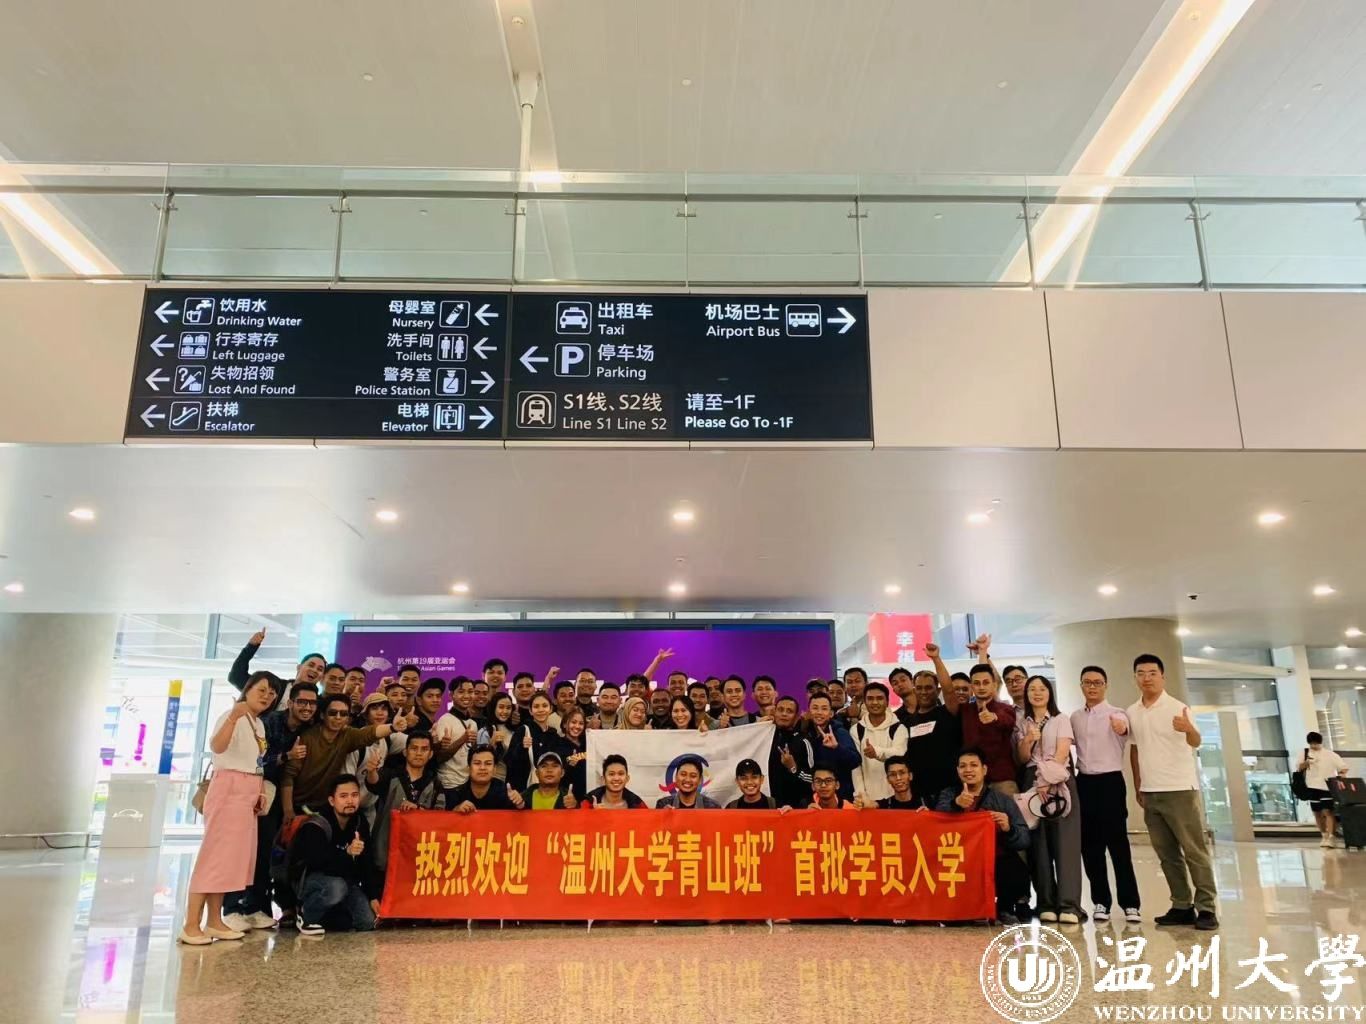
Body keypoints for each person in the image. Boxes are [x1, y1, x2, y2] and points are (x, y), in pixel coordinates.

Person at [180, 671, 280, 944]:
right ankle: (191, 925)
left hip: (248, 791)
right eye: (262, 690)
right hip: (229, 788)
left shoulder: (258, 724)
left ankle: (214, 921)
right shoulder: (232, 716)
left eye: (272, 693)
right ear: (248, 689)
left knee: (230, 860)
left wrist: (259, 790)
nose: (267, 696)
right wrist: (234, 717)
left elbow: (255, 762)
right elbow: (217, 746)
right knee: (214, 856)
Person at [1127, 653, 1217, 931]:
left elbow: (1196, 741)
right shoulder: (1132, 711)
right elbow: (1134, 749)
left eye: (1152, 673)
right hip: (1150, 791)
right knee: (1167, 854)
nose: (1147, 678)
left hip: (1179, 789)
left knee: (1194, 851)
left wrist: (1189, 729)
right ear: (1135, 677)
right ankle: (1181, 905)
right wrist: (1138, 784)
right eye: (1141, 673)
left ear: (1162, 676)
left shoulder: (1178, 707)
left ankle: (1207, 908)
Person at [222, 680, 315, 932]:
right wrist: (287, 756)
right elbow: (257, 760)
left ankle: (256, 907)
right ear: (291, 702)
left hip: (274, 798)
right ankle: (231, 908)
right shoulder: (269, 722)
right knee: (242, 851)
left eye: (312, 703)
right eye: (302, 702)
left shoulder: (308, 729)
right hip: (251, 792)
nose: (307, 707)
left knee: (263, 853)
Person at [1070, 665, 1141, 924]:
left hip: (1110, 783)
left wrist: (1120, 727)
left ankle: (1130, 904)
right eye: (1087, 682)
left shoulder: (1117, 713)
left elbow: (1124, 730)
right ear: (1081, 686)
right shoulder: (1075, 717)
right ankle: (1101, 901)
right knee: (1091, 847)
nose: (1092, 687)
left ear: (1105, 685)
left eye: (1097, 682)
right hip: (1084, 783)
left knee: (1118, 845)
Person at [1015, 674, 1084, 924]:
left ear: (1049, 693)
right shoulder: (1022, 723)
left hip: (1058, 779)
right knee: (1038, 844)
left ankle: (1069, 905)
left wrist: (1046, 779)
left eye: (1042, 688)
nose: (1037, 693)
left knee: (1066, 843)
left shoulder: (1061, 719)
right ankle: (1045, 902)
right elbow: (1022, 758)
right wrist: (1028, 739)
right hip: (1031, 780)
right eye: (1032, 689)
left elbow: (1063, 753)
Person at [936, 748, 1031, 924]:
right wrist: (955, 804)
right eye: (963, 766)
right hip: (958, 861)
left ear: (984, 770)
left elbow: (1024, 839)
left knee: (1015, 869)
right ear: (957, 771)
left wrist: (1008, 828)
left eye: (974, 765)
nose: (968, 770)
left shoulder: (1002, 800)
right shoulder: (949, 794)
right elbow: (936, 822)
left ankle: (1004, 908)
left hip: (992, 859)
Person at [282, 694, 408, 820]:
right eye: (333, 713)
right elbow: (288, 775)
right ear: (322, 715)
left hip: (327, 806)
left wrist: (392, 727)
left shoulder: (347, 735)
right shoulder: (307, 738)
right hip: (299, 805)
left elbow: (368, 734)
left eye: (343, 714)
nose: (338, 717)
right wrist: (288, 810)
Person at [289, 774, 380, 936]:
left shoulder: (360, 821)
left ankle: (328, 917)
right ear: (332, 800)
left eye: (354, 795)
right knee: (336, 888)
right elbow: (316, 861)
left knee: (366, 921)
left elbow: (367, 861)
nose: (350, 801)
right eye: (343, 796)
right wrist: (347, 853)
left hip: (345, 879)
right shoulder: (317, 823)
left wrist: (373, 897)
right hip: (310, 879)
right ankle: (306, 915)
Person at [364, 731, 443, 881]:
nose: (418, 753)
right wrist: (371, 771)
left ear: (431, 754)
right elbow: (374, 782)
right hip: (385, 850)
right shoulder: (391, 775)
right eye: (414, 748)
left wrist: (418, 811)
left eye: (424, 749)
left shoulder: (436, 783)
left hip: (419, 856)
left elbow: (440, 818)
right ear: (405, 752)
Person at [894, 643, 962, 802]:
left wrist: (936, 659)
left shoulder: (947, 712)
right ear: (914, 690)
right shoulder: (906, 723)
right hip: (919, 791)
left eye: (929, 688)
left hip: (949, 789)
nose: (923, 692)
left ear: (937, 690)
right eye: (919, 688)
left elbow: (949, 690)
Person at [943, 662, 1018, 795]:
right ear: (972, 687)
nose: (981, 687)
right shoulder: (965, 710)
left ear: (994, 685)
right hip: (971, 781)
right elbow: (948, 692)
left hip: (1001, 780)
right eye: (977, 683)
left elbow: (1008, 721)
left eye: (986, 682)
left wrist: (994, 717)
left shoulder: (1005, 709)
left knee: (1009, 809)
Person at [345, 691, 408, 824]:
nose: (380, 713)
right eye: (374, 708)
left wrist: (435, 738)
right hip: (349, 807)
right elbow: (346, 780)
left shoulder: (388, 738)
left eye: (384, 709)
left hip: (370, 807)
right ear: (365, 714)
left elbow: (415, 742)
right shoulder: (357, 741)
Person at [228, 627, 325, 710]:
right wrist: (251, 647)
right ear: (299, 667)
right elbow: (236, 677)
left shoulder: (319, 705)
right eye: (311, 665)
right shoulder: (274, 685)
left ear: (322, 677)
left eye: (320, 669)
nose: (314, 670)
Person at [851, 681, 906, 804]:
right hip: (869, 799)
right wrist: (861, 795)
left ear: (887, 701)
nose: (875, 702)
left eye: (880, 698)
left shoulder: (899, 727)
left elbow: (900, 754)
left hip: (896, 796)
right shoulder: (856, 730)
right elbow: (856, 767)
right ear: (865, 702)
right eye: (870, 699)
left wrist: (877, 752)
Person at [433, 677, 480, 805]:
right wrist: (462, 739)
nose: (466, 696)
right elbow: (439, 758)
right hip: (448, 785)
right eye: (461, 691)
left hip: (467, 783)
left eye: (470, 691)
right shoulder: (445, 720)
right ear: (451, 695)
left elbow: (470, 754)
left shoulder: (473, 723)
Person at [805, 692, 860, 802]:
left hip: (839, 798)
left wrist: (836, 747)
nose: (819, 712)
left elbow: (856, 760)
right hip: (814, 796)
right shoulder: (805, 733)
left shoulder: (840, 733)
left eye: (824, 709)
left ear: (831, 713)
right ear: (809, 712)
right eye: (815, 708)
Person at [1300, 730, 1350, 848]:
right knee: (1316, 812)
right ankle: (1324, 835)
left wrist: (1341, 776)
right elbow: (1299, 768)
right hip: (1311, 786)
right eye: (1311, 743)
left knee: (1328, 811)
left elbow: (1343, 767)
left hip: (1327, 786)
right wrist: (1306, 763)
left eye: (1316, 743)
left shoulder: (1330, 754)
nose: (1314, 746)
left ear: (1320, 742)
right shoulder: (1305, 753)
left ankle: (1332, 837)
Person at [506, 691, 562, 790]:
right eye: (536, 706)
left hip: (549, 789)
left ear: (551, 709)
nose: (541, 710)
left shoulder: (554, 735)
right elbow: (509, 761)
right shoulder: (523, 730)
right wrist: (521, 747)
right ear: (530, 711)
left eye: (544, 706)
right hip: (523, 788)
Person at [769, 696, 815, 808]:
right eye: (780, 710)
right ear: (774, 712)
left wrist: (793, 768)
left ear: (796, 717)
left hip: (795, 807)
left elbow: (813, 779)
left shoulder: (804, 741)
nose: (784, 714)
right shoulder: (765, 737)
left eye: (789, 711)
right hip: (769, 805)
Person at [449, 745, 525, 811]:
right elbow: (447, 816)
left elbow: (520, 816)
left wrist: (520, 804)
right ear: (469, 768)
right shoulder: (457, 793)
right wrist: (456, 810)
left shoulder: (505, 792)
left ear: (494, 769)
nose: (482, 768)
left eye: (488, 763)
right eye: (477, 763)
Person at [655, 755, 720, 809]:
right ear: (676, 777)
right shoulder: (663, 804)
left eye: (693, 776)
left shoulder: (713, 808)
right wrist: (663, 816)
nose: (687, 780)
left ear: (700, 780)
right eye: (683, 774)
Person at [478, 693, 517, 779]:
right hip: (492, 780)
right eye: (501, 707)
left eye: (508, 708)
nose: (505, 711)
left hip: (513, 781)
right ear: (493, 708)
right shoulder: (484, 732)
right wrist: (492, 745)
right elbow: (480, 762)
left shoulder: (514, 731)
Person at [559, 708, 590, 800]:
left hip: (588, 796)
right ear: (565, 724)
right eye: (573, 722)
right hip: (568, 797)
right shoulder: (558, 745)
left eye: (581, 723)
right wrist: (569, 766)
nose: (577, 726)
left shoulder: (589, 743)